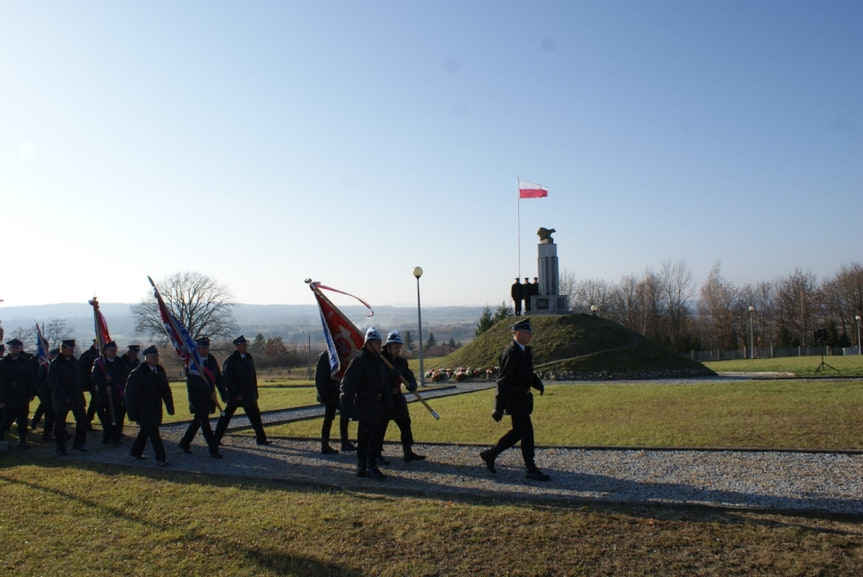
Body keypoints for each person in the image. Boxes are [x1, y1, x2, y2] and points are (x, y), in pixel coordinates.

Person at [480, 318, 550, 481]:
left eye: (530, 333)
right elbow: (503, 380)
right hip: (515, 398)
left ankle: (491, 454)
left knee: (520, 432)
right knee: (526, 432)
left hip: (523, 398)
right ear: (517, 333)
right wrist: (498, 406)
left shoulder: (524, 351)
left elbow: (526, 372)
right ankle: (530, 468)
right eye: (527, 333)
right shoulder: (511, 353)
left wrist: (536, 382)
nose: (530, 336)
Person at [340, 327, 390, 479]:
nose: (379, 346)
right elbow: (348, 385)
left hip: (376, 402)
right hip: (365, 402)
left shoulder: (378, 362)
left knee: (368, 435)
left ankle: (363, 466)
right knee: (370, 435)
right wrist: (347, 407)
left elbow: (383, 384)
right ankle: (369, 465)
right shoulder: (360, 361)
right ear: (368, 344)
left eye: (379, 343)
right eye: (376, 343)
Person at [214, 336, 271, 446]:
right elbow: (227, 379)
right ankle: (216, 439)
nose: (244, 347)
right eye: (242, 345)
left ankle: (261, 439)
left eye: (245, 344)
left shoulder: (248, 358)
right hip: (236, 395)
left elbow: (252, 377)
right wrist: (235, 394)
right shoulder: (231, 360)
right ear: (237, 346)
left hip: (248, 394)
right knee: (225, 417)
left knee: (255, 417)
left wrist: (255, 392)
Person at [380, 330, 425, 463]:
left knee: (405, 423)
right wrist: (390, 374)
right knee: (380, 427)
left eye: (399, 347)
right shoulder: (380, 360)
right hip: (384, 398)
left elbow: (409, 375)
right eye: (396, 347)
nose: (398, 349)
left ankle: (408, 452)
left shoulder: (401, 362)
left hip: (397, 398)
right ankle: (376, 454)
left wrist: (412, 385)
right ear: (388, 346)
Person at [125, 345, 174, 466]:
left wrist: (170, 406)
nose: (156, 359)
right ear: (146, 358)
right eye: (153, 357)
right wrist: (132, 413)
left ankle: (135, 452)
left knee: (145, 431)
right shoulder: (138, 373)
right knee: (153, 433)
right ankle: (161, 458)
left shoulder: (160, 371)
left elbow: (165, 390)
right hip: (143, 409)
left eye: (157, 356)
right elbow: (130, 394)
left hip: (156, 407)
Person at [178, 337, 223, 458]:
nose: (205, 350)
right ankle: (213, 450)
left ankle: (184, 442)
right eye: (203, 347)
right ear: (197, 348)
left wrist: (223, 394)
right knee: (205, 424)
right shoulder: (192, 362)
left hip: (209, 397)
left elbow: (218, 377)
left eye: (207, 347)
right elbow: (194, 381)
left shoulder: (211, 360)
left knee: (197, 421)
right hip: (197, 397)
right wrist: (209, 391)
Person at [50, 339, 89, 455]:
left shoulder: (74, 362)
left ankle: (79, 443)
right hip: (62, 397)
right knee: (60, 424)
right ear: (63, 349)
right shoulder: (56, 364)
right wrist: (64, 396)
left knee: (82, 421)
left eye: (73, 349)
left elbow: (78, 380)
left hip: (76, 396)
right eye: (69, 349)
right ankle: (60, 447)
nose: (72, 351)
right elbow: (54, 383)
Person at [315, 350, 355, 454]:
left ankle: (344, 442)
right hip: (330, 392)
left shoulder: (340, 353)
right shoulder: (325, 355)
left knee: (344, 416)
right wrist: (324, 396)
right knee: (329, 418)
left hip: (339, 391)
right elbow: (320, 377)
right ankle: (325, 444)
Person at [90, 341, 129, 445]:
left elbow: (125, 375)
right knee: (107, 419)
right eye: (111, 350)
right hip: (104, 395)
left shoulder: (119, 361)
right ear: (105, 351)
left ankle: (116, 437)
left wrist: (112, 379)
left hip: (118, 393)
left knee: (119, 416)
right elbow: (95, 377)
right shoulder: (99, 362)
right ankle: (107, 438)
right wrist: (104, 385)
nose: (113, 353)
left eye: (115, 350)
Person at [0, 338, 35, 448]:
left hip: (22, 395)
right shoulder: (3, 363)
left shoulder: (25, 362)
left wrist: (30, 393)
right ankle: (1, 438)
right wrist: (1, 399)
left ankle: (23, 440)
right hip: (9, 395)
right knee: (6, 419)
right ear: (9, 349)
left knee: (23, 419)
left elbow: (30, 379)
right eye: (13, 348)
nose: (15, 350)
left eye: (17, 348)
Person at [30, 347, 57, 441]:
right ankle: (45, 433)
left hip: (53, 393)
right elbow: (40, 379)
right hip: (45, 391)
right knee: (48, 410)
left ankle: (51, 432)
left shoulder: (53, 365)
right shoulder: (44, 365)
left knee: (51, 412)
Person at [78, 340, 100, 430]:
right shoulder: (87, 355)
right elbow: (82, 370)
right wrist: (85, 384)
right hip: (91, 382)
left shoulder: (103, 354)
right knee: (95, 402)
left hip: (100, 382)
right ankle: (87, 421)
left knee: (98, 403)